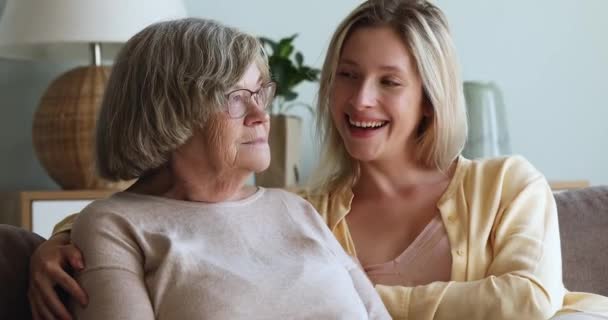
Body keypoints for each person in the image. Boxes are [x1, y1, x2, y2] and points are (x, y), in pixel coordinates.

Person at [29, 1, 608, 319]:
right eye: (348, 77)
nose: (360, 100)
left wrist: (356, 293)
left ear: (430, 98)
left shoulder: (505, 184)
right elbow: (168, 215)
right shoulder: (313, 208)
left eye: (390, 82)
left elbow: (530, 301)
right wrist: (56, 243)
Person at [27, 17, 390, 320]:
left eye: (259, 93)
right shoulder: (114, 228)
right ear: (168, 112)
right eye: (235, 98)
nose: (261, 115)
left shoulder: (295, 209)